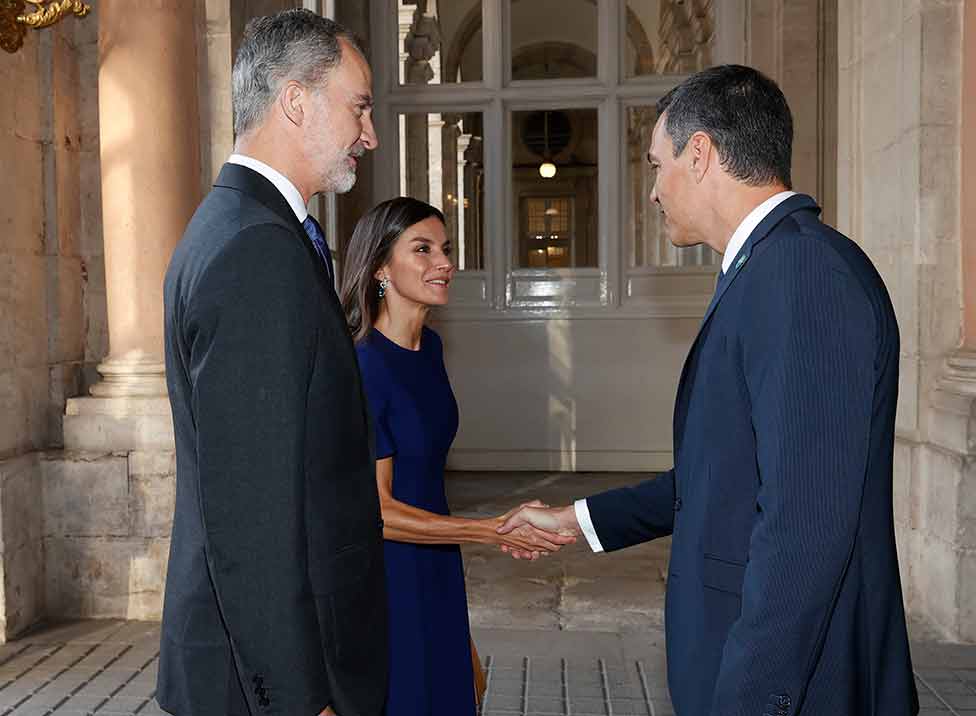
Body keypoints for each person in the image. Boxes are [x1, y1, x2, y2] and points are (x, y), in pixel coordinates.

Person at [500, 65, 919, 716]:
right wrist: (576, 522)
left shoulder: (802, 275)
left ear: (700, 155)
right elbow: (723, 476)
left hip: (798, 686)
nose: (652, 192)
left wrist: (750, 700)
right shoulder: (768, 267)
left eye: (655, 163)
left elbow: (803, 527)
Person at [159, 11, 386, 716]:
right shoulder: (255, 250)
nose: (368, 134)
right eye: (359, 107)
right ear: (295, 100)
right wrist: (297, 700)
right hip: (270, 680)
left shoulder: (243, 226)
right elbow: (254, 514)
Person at [338, 197, 574, 716]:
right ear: (380, 267)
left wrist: (460, 633)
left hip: (437, 565)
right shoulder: (364, 367)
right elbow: (377, 512)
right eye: (421, 250)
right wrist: (491, 529)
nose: (443, 263)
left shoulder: (431, 350)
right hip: (388, 581)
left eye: (444, 249)